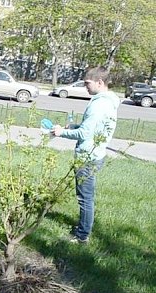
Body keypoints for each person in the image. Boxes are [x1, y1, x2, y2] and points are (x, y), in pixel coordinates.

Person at [51, 67, 119, 244]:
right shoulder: (108, 101)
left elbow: (85, 134)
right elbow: (89, 128)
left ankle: (82, 236)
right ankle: (83, 229)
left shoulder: (99, 104)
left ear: (100, 82)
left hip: (87, 157)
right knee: (86, 196)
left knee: (85, 198)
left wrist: (60, 133)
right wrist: (71, 128)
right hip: (96, 153)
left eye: (87, 83)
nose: (85, 87)